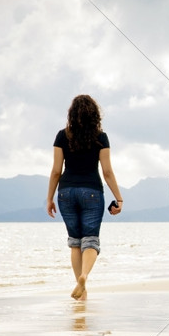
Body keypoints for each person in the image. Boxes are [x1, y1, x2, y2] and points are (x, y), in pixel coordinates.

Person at [46, 95, 123, 299]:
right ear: (94, 114)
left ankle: (81, 289)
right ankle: (84, 277)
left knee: (75, 242)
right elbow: (107, 172)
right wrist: (119, 198)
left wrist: (49, 198)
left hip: (66, 192)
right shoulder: (101, 137)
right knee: (91, 240)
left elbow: (56, 170)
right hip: (91, 192)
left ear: (72, 113)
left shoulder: (62, 136)